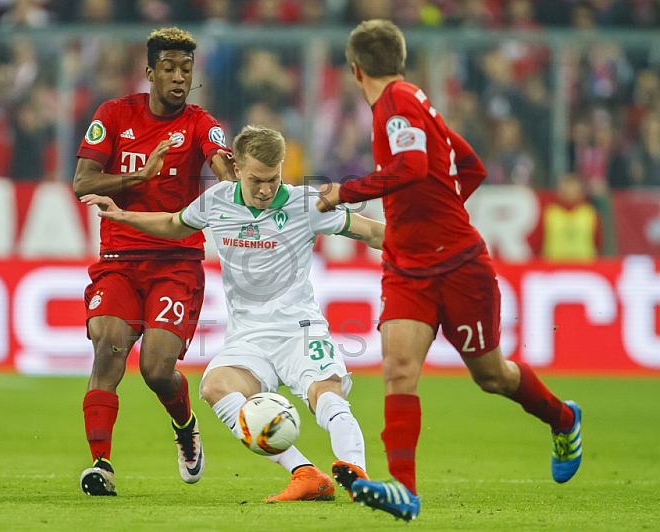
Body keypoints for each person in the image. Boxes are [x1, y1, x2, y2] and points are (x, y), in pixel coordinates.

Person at [316, 20, 582, 521]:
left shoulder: (395, 103)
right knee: (398, 369)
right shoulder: (416, 100)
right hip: (406, 266)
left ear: (355, 70)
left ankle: (564, 418)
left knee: (492, 375)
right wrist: (432, 213)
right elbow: (472, 164)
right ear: (399, 57)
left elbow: (413, 168)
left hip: (459, 265)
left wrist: (343, 191)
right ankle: (405, 490)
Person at [81, 125, 386, 502]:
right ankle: (305, 473)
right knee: (215, 387)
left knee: (327, 395)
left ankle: (358, 472)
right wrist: (123, 215)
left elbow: (372, 233)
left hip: (300, 331)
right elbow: (175, 224)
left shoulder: (307, 203)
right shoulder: (217, 201)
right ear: (236, 168)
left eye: (273, 180)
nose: (265, 189)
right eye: (256, 179)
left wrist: (431, 251)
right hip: (248, 338)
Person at [72, 26, 236, 497]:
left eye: (186, 69)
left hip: (176, 260)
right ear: (150, 73)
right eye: (169, 68)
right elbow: (84, 182)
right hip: (119, 259)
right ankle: (101, 465)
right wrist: (139, 176)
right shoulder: (114, 114)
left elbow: (219, 158)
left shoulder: (200, 122)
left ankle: (185, 426)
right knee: (108, 351)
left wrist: (231, 177)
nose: (179, 77)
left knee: (157, 368)